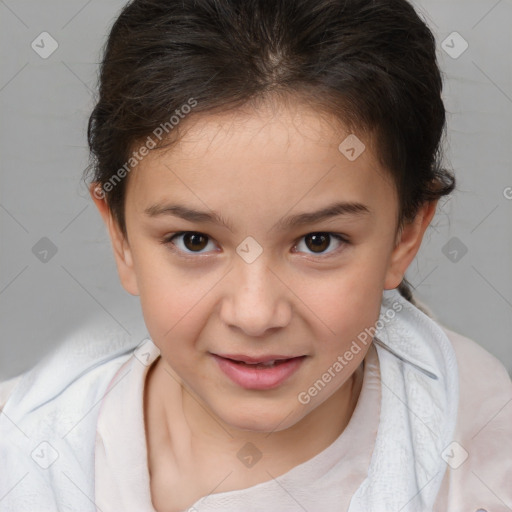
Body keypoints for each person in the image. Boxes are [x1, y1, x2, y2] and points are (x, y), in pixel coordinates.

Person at [1, 0, 511, 510]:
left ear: (405, 235)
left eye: (318, 241)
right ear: (121, 237)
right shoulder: (22, 456)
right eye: (194, 241)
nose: (255, 314)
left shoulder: (482, 449)